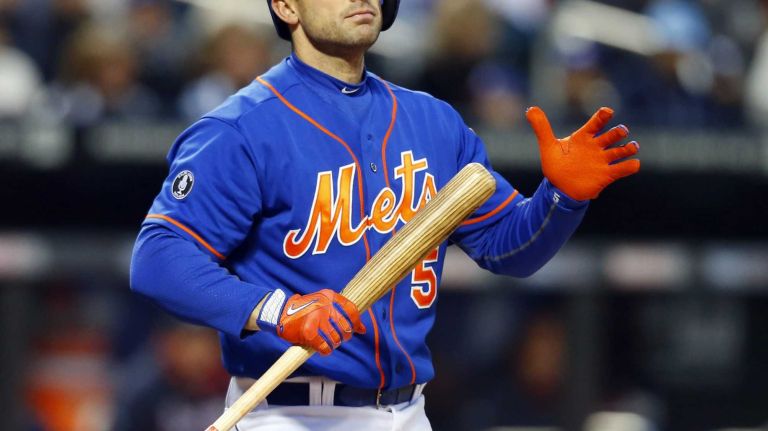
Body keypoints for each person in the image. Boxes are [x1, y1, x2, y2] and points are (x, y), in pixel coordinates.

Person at [129, 0, 640, 429]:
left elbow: (510, 250)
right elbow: (157, 259)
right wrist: (278, 311)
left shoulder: (433, 121)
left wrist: (561, 199)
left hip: (409, 411)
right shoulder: (241, 129)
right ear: (286, 6)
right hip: (290, 413)